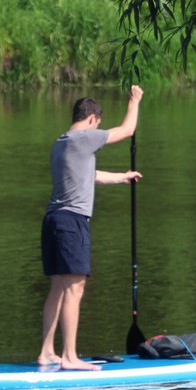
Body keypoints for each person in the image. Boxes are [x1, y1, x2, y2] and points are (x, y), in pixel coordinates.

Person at [38, 86, 143, 370]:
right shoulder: (86, 136)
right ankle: (70, 357)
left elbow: (89, 174)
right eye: (98, 122)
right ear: (93, 119)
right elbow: (126, 130)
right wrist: (135, 101)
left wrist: (122, 177)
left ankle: (47, 352)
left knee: (58, 288)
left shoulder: (62, 142)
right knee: (75, 288)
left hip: (53, 220)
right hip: (72, 221)